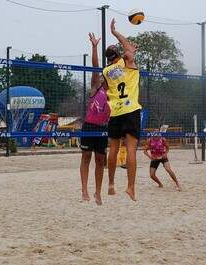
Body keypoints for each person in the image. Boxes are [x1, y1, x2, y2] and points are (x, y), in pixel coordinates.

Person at [103, 18, 141, 201]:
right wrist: (115, 33)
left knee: (113, 149)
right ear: (119, 55)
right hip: (131, 109)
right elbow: (127, 46)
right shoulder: (127, 63)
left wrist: (129, 50)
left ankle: (110, 184)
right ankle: (131, 188)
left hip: (115, 112)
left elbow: (104, 89)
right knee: (131, 149)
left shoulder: (106, 71)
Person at [79, 33, 110, 205]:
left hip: (102, 129)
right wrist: (95, 46)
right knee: (86, 158)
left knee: (100, 161)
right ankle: (84, 190)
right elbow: (95, 66)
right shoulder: (96, 87)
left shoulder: (114, 94)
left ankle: (98, 192)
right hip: (89, 127)